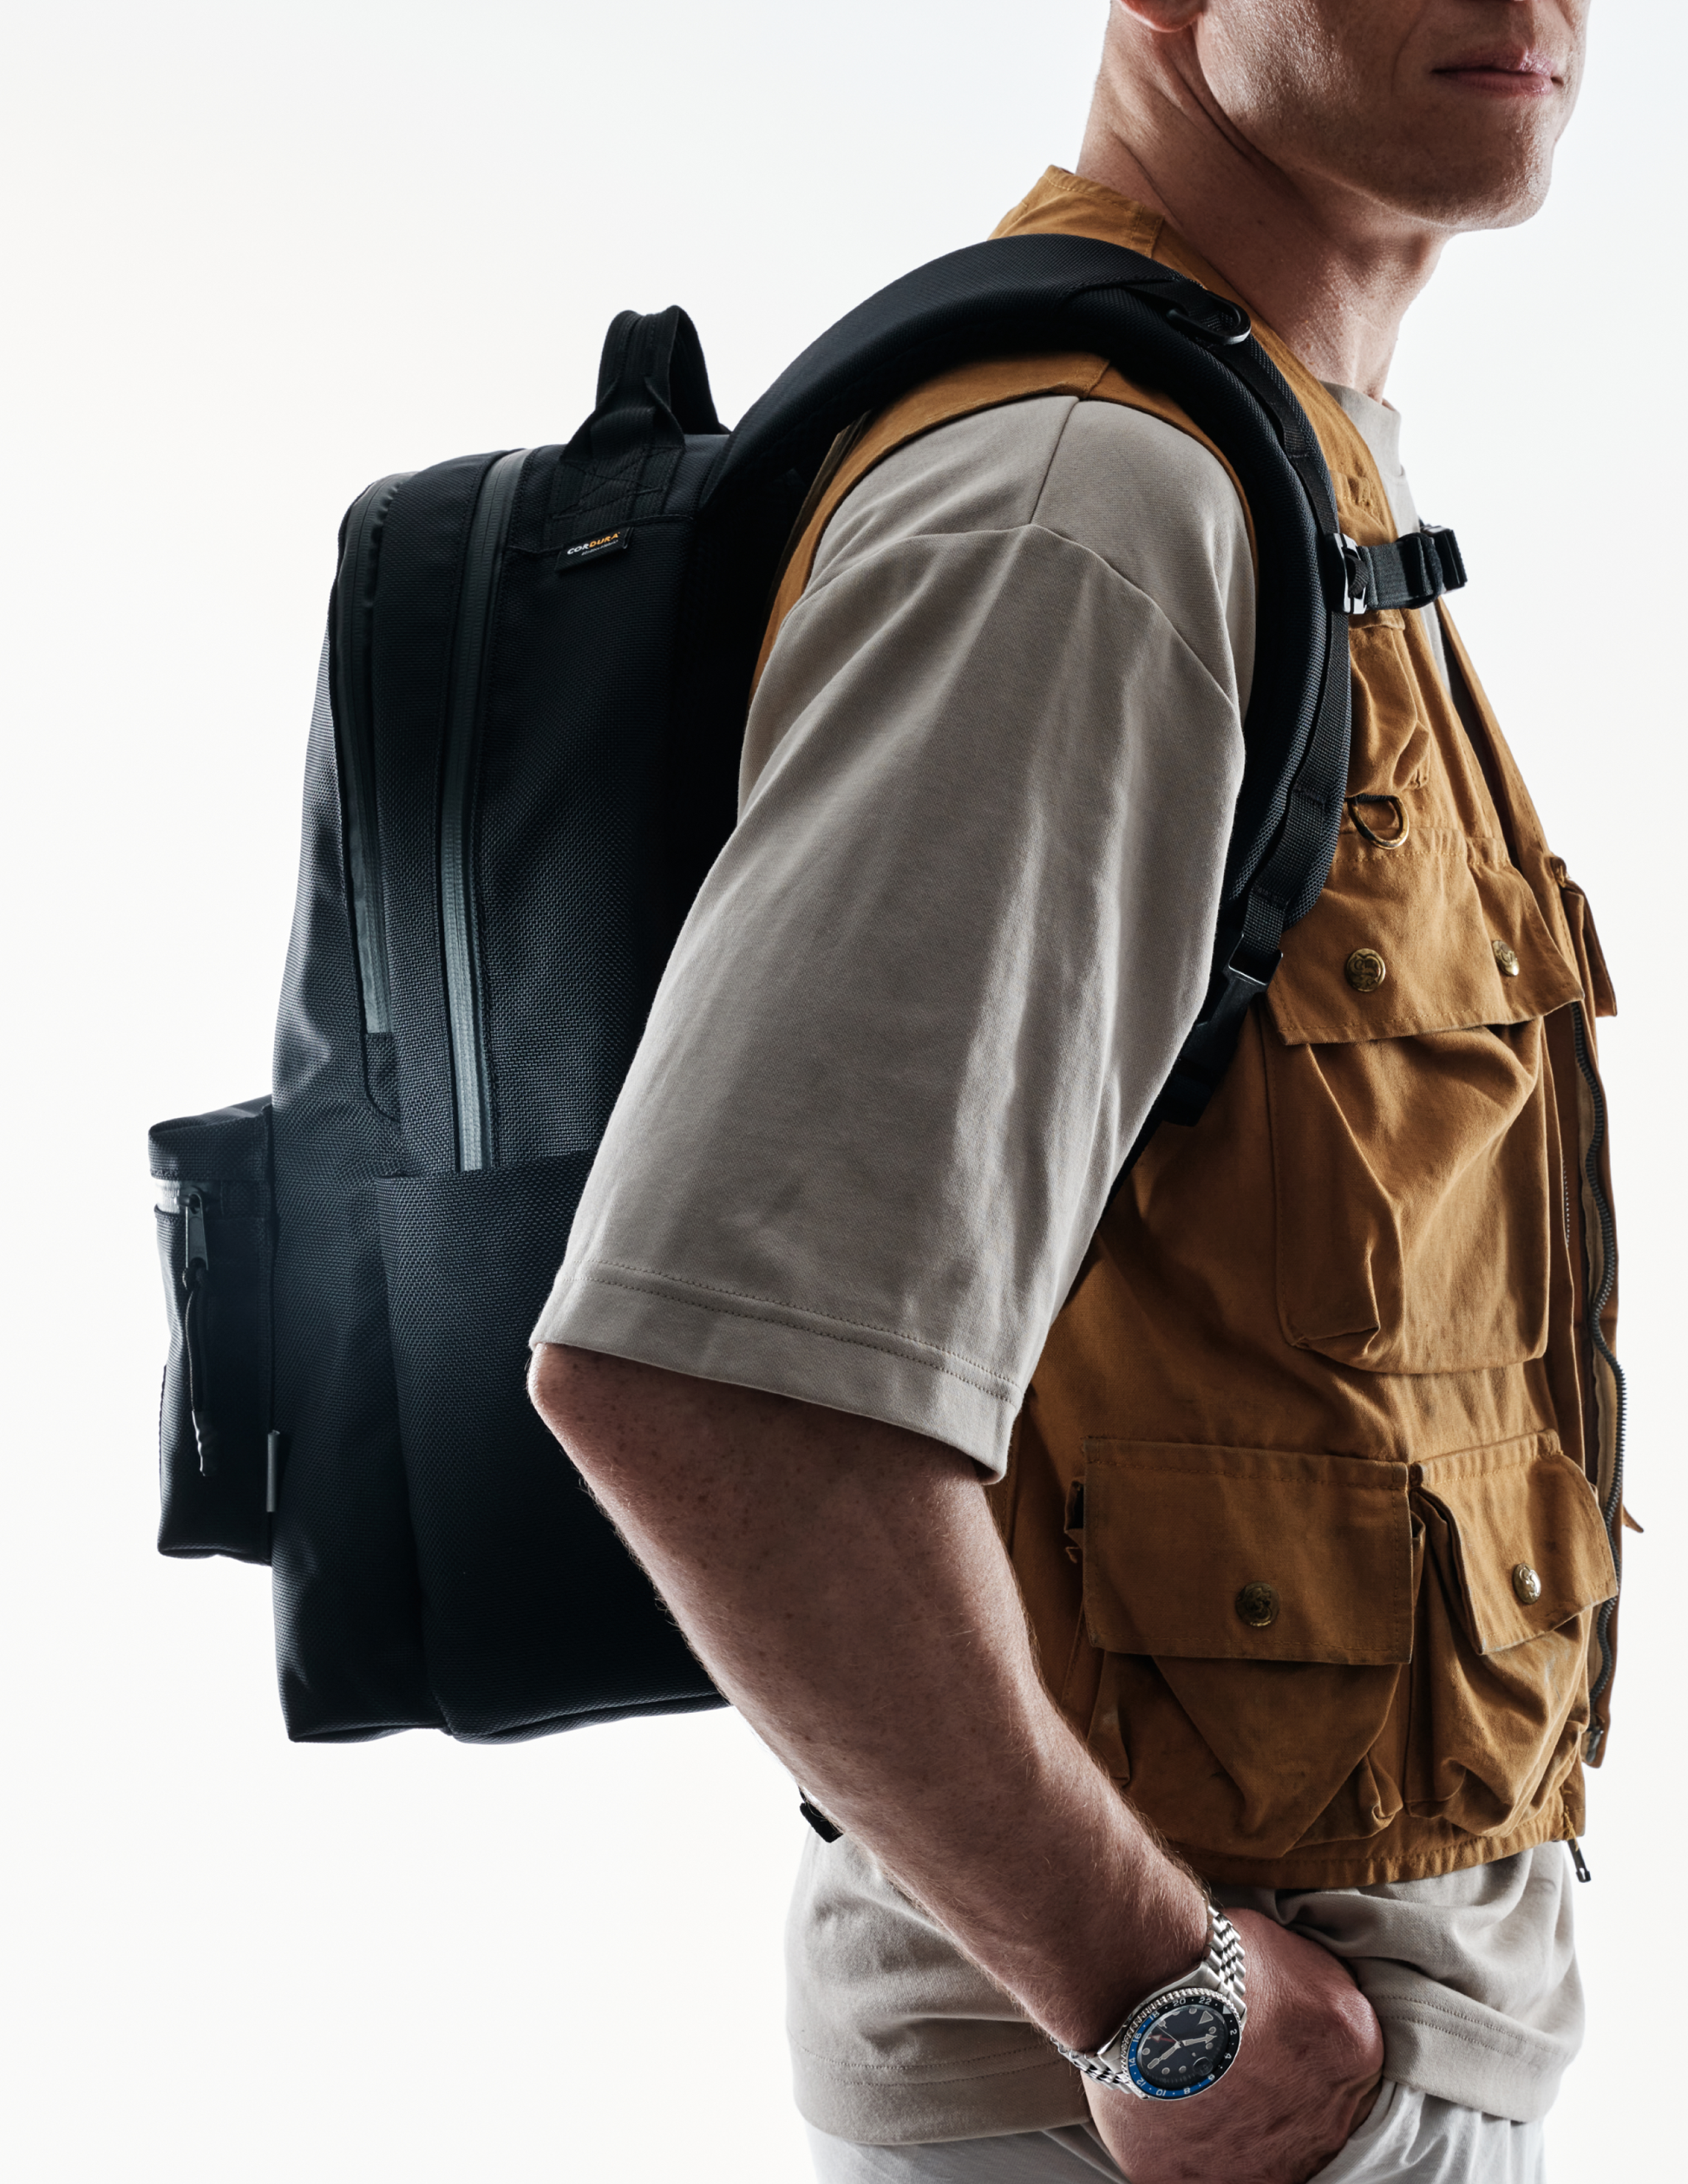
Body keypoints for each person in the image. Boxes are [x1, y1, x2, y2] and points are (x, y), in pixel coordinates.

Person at [530, 3, 1623, 2178]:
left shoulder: (1276, 457)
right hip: (1157, 2090)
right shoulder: (1088, 506)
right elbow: (705, 1376)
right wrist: (1169, 2005)